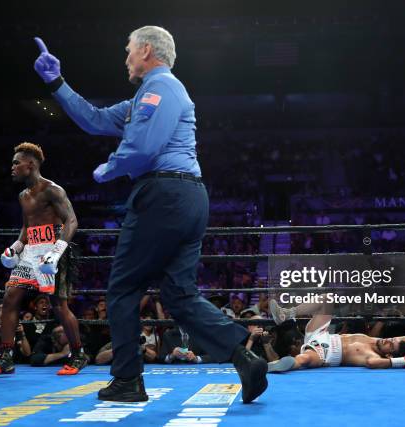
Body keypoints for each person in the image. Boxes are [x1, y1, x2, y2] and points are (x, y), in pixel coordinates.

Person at [33, 26, 267, 403]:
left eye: (128, 50)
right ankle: (244, 356)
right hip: (184, 196)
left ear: (145, 50)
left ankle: (128, 380)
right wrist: (57, 83)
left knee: (123, 289)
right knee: (179, 294)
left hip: (165, 194)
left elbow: (143, 147)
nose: (125, 57)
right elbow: (93, 119)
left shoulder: (163, 88)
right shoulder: (144, 97)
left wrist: (108, 169)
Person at [0, 142, 86, 376]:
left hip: (54, 250)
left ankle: (78, 354)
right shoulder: (22, 195)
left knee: (59, 306)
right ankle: (6, 358)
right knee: (10, 297)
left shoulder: (52, 190)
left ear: (30, 164)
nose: (13, 167)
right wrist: (17, 247)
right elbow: (27, 226)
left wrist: (57, 252)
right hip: (31, 253)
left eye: (16, 163)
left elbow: (72, 221)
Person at [267, 299, 405, 372]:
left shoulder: (374, 356)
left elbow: (373, 364)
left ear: (389, 355)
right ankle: (287, 314)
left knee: (300, 361)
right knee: (327, 299)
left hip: (325, 353)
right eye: (392, 339)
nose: (388, 340)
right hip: (322, 334)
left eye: (390, 345)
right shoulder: (382, 343)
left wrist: (404, 362)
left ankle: (264, 368)